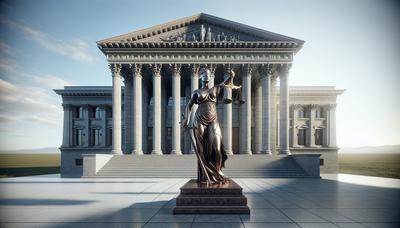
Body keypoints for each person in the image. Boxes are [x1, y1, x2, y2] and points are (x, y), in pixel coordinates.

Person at [182, 68, 241, 184]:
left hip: (213, 120)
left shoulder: (216, 88)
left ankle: (217, 173)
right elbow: (189, 106)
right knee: (201, 150)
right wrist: (186, 119)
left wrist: (232, 76)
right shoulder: (197, 92)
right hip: (199, 120)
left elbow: (226, 83)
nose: (206, 76)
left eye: (208, 74)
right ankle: (205, 176)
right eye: (204, 74)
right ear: (200, 77)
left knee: (217, 148)